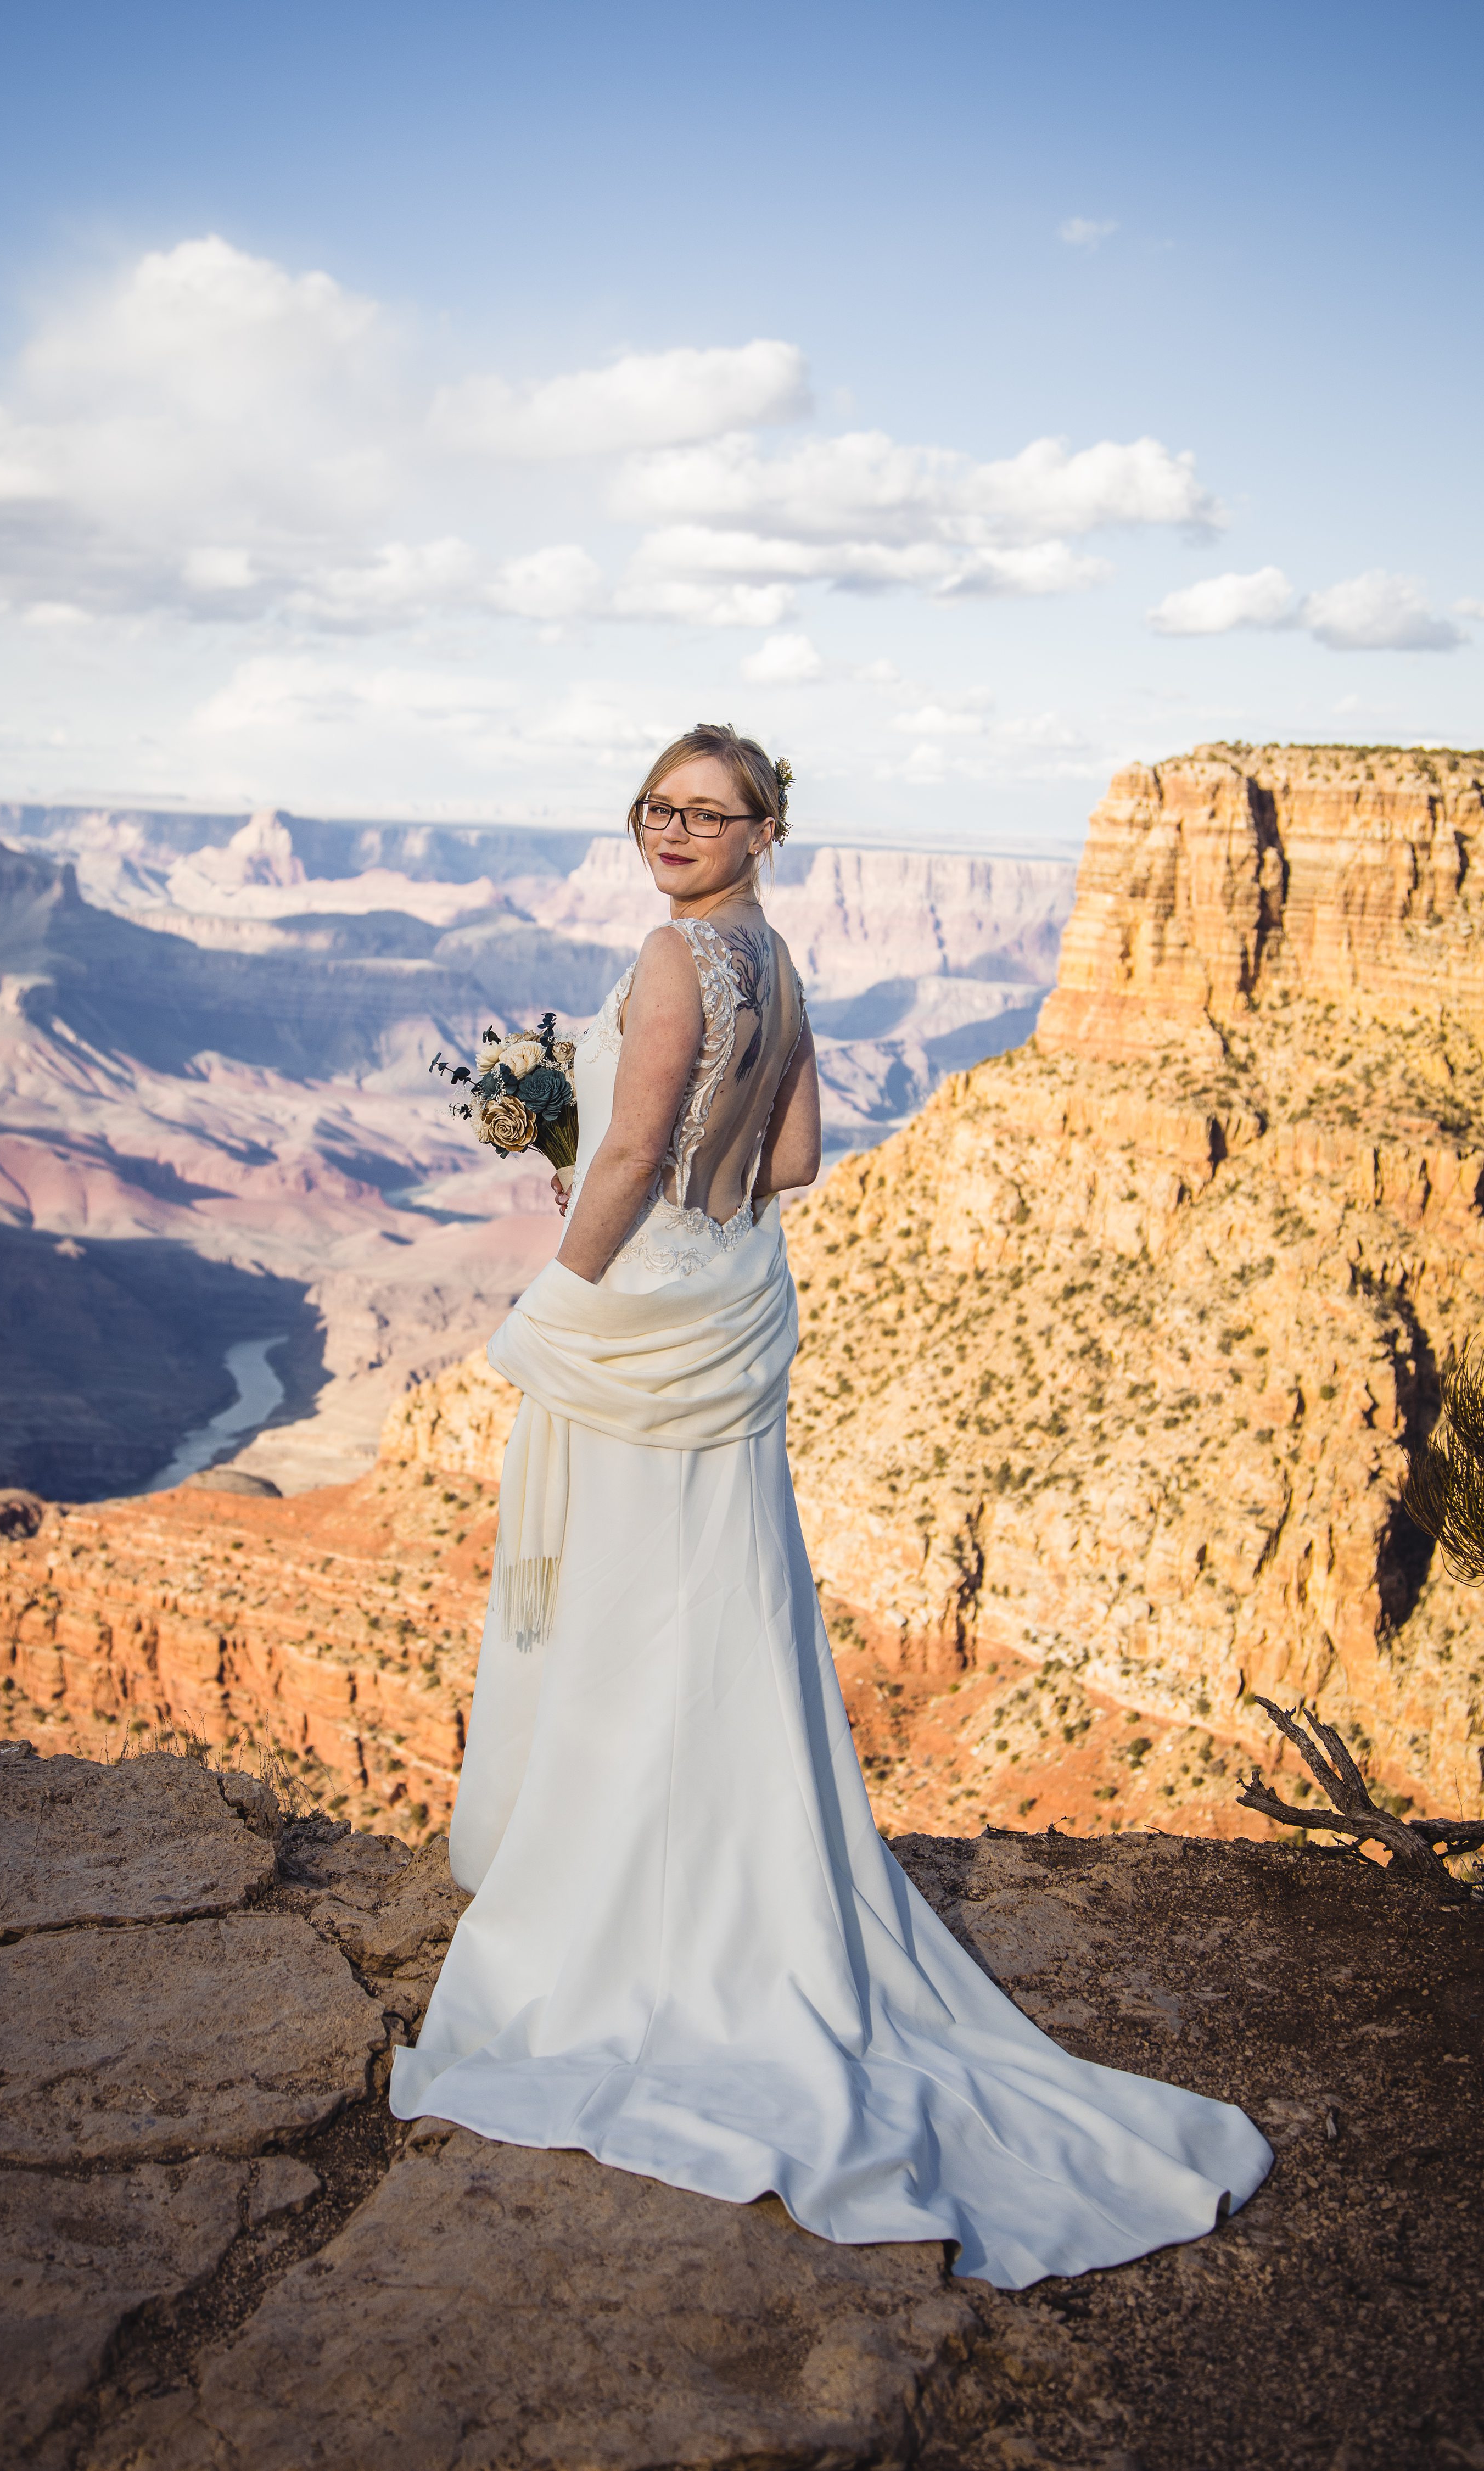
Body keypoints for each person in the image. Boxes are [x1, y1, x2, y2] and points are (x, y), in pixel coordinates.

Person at [391, 723, 1272, 2287]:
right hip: (726, 1306)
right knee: (709, 1603)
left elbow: (630, 1160)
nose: (675, 829)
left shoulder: (675, 963)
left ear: (763, 825)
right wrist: (682, 1193)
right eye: (658, 805)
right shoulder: (779, 961)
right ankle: (737, 1877)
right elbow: (795, 1152)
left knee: (622, 1611)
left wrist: (560, 1291)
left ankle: (621, 1914)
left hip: (644, 1312)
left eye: (707, 812)